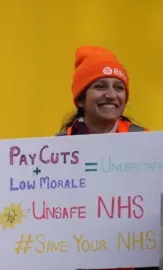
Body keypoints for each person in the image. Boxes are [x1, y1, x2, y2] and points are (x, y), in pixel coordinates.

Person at [58, 46, 155, 270]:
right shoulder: (52, 151)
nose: (112, 95)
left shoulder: (150, 145)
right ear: (80, 100)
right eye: (100, 86)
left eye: (119, 88)